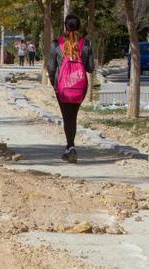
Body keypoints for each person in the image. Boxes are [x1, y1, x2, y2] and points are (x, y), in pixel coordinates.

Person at [48, 14, 96, 164]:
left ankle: (70, 147)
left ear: (65, 26)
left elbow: (51, 68)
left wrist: (53, 83)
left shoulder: (56, 44)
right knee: (73, 117)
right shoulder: (86, 44)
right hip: (80, 87)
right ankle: (69, 147)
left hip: (62, 87)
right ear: (79, 27)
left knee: (66, 117)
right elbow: (90, 68)